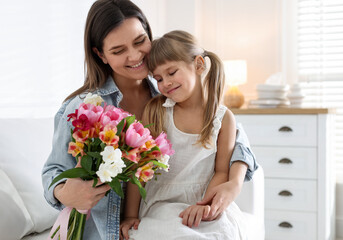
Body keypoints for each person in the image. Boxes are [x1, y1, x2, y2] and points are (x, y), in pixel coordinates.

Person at [42, 0, 257, 239]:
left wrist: (235, 181)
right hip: (109, 230)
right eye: (118, 50)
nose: (134, 56)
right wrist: (64, 192)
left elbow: (232, 135)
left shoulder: (168, 92)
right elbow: (54, 171)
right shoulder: (85, 108)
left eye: (139, 41)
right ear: (100, 54)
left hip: (161, 216)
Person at [121, 30, 249, 240]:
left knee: (224, 233)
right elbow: (139, 168)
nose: (166, 83)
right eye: (159, 78)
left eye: (172, 72)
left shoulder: (223, 118)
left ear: (198, 65)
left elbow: (221, 171)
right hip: (163, 204)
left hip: (203, 201)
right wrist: (130, 215)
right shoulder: (157, 111)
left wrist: (204, 206)